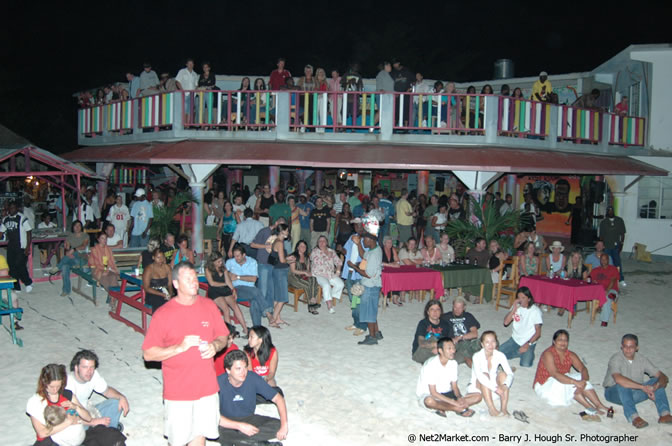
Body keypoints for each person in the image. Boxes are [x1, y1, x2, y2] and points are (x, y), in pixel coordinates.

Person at [142, 262, 229, 446]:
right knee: (180, 440)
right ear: (175, 284)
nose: (194, 282)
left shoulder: (209, 306)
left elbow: (223, 335)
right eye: (188, 279)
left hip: (206, 388)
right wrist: (179, 348)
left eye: (195, 278)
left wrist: (215, 345)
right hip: (178, 392)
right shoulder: (163, 314)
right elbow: (148, 354)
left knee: (200, 437)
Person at [217, 350, 288, 445]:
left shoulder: (252, 378)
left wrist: (284, 425)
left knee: (278, 425)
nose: (243, 372)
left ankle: (240, 440)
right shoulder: (218, 383)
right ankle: (257, 443)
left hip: (249, 418)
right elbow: (211, 415)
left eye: (245, 367)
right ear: (228, 370)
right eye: (238, 369)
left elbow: (278, 398)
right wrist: (239, 426)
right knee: (211, 430)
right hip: (226, 421)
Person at [534, 330, 611, 414]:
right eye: (560, 340)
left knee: (579, 376)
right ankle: (589, 406)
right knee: (565, 382)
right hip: (546, 384)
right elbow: (555, 374)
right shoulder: (548, 354)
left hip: (562, 380)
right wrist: (575, 382)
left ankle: (598, 404)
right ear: (554, 341)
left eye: (565, 340)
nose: (563, 342)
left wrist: (583, 382)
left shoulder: (570, 354)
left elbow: (583, 368)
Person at [603, 334, 672, 428]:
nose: (628, 349)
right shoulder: (616, 359)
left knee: (656, 380)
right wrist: (643, 387)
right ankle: (634, 417)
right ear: (621, 347)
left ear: (637, 348)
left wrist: (655, 386)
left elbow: (663, 377)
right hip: (614, 393)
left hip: (635, 393)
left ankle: (665, 414)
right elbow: (618, 379)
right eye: (625, 346)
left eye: (631, 347)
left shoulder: (642, 359)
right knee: (622, 384)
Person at [416, 337, 482, 418]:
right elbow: (433, 392)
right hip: (431, 394)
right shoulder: (431, 365)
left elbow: (454, 386)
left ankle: (443, 407)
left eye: (453, 348)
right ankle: (457, 409)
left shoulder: (453, 363)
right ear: (440, 350)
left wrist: (459, 397)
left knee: (478, 397)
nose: (453, 351)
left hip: (447, 393)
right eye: (449, 348)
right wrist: (454, 403)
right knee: (429, 401)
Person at [26, 364, 90, 446]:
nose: (55, 390)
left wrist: (76, 407)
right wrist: (68, 422)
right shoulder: (36, 401)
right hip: (51, 441)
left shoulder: (67, 395)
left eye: (58, 386)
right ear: (44, 383)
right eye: (52, 386)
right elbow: (42, 433)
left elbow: (88, 418)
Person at [66, 350, 130, 431]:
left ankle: (109, 431)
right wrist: (93, 421)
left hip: (88, 411)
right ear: (76, 367)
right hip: (75, 419)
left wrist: (121, 397)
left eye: (92, 367)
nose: (89, 371)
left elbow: (106, 391)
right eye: (85, 367)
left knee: (116, 403)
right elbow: (69, 416)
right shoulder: (68, 384)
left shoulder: (94, 375)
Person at [467, 331, 514, 417]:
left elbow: (510, 373)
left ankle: (503, 408)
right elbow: (480, 377)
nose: (490, 345)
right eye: (487, 342)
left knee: (503, 375)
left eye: (493, 341)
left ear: (496, 343)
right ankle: (492, 408)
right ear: (482, 344)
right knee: (485, 375)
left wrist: (505, 385)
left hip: (493, 385)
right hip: (478, 385)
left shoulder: (500, 355)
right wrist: (495, 388)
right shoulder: (477, 356)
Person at [226, 244, 273, 327]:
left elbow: (253, 279)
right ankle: (268, 313)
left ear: (244, 255)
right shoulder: (230, 262)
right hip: (237, 289)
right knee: (256, 291)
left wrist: (237, 277)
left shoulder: (252, 262)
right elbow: (224, 275)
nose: (236, 258)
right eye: (234, 256)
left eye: (238, 256)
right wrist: (228, 275)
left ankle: (257, 328)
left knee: (255, 302)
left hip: (250, 289)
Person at [205, 251, 247, 336]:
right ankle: (228, 333)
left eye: (221, 261)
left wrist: (233, 289)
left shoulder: (223, 268)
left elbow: (228, 280)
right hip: (214, 291)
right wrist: (225, 284)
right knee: (226, 310)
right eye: (218, 262)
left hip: (224, 289)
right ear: (213, 262)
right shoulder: (208, 269)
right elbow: (212, 283)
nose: (220, 263)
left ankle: (245, 329)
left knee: (235, 306)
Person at [352, 233, 383, 345]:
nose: (364, 241)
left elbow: (368, 274)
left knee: (369, 313)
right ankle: (377, 332)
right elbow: (364, 255)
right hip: (374, 285)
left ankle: (372, 337)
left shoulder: (374, 255)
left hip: (370, 286)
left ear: (370, 240)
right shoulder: (375, 249)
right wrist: (358, 243)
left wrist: (354, 267)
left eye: (364, 239)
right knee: (372, 310)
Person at [500, 286, 543, 367]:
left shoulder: (535, 311)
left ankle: (526, 352)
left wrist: (528, 344)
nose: (520, 300)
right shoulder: (517, 307)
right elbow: (506, 323)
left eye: (523, 297)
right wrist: (514, 308)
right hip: (515, 339)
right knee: (497, 354)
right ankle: (518, 353)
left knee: (525, 364)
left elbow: (538, 333)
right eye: (519, 297)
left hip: (528, 341)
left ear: (529, 299)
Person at [0, 201, 33, 294]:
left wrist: (27, 247)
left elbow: (29, 232)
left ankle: (28, 282)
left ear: (17, 208)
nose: (11, 210)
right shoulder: (5, 219)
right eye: (10, 208)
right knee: (12, 266)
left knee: (20, 265)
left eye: (13, 208)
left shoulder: (22, 218)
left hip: (21, 246)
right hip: (11, 246)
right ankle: (16, 286)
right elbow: (1, 231)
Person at [441, 297, 481, 367]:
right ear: (453, 306)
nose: (457, 310)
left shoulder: (468, 316)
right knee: (464, 350)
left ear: (464, 308)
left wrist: (460, 337)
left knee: (489, 340)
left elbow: (475, 334)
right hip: (456, 345)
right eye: (455, 307)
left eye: (460, 308)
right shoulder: (446, 317)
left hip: (469, 343)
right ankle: (476, 371)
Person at [310, 235, 344, 314]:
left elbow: (338, 262)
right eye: (320, 241)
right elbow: (315, 261)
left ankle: (328, 297)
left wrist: (338, 271)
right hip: (318, 274)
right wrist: (326, 257)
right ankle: (329, 305)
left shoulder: (331, 251)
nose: (322, 243)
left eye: (323, 241)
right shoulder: (315, 251)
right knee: (326, 285)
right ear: (317, 243)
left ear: (327, 243)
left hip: (329, 273)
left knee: (340, 284)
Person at [57, 220, 89, 298]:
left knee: (74, 253)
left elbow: (83, 246)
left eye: (79, 226)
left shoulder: (85, 236)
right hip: (72, 258)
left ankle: (57, 267)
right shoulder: (70, 236)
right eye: (75, 226)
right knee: (65, 266)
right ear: (73, 227)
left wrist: (73, 250)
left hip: (82, 258)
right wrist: (67, 251)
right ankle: (66, 290)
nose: (77, 227)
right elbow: (67, 249)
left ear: (81, 227)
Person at [288, 240, 320, 315]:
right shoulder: (293, 256)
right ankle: (312, 305)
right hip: (293, 277)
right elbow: (293, 271)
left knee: (314, 279)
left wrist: (309, 273)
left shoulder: (306, 257)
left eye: (304, 246)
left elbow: (308, 270)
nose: (303, 247)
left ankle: (312, 299)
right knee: (308, 285)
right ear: (298, 247)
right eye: (301, 246)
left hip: (303, 276)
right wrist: (304, 272)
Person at [268, 223, 291, 328]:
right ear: (283, 231)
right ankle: (273, 320)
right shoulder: (280, 243)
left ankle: (278, 318)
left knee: (277, 297)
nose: (288, 232)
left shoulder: (275, 241)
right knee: (282, 298)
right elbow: (282, 260)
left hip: (276, 270)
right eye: (287, 230)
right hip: (280, 271)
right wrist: (290, 260)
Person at [590, 253, 620, 327]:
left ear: (608, 260)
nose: (603, 261)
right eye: (602, 259)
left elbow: (613, 281)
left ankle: (604, 320)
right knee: (606, 297)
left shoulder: (613, 269)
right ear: (600, 260)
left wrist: (607, 290)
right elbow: (590, 280)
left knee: (607, 297)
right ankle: (611, 297)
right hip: (599, 291)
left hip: (611, 289)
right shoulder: (595, 270)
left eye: (605, 259)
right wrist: (593, 282)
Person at [599, 206, 626, 285]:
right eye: (609, 210)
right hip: (607, 246)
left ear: (614, 211)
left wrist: (621, 244)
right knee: (606, 263)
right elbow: (601, 236)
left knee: (617, 262)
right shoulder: (603, 222)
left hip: (616, 246)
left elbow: (623, 234)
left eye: (611, 210)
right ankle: (607, 278)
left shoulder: (619, 220)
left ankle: (620, 279)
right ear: (607, 212)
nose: (610, 212)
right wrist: (602, 245)